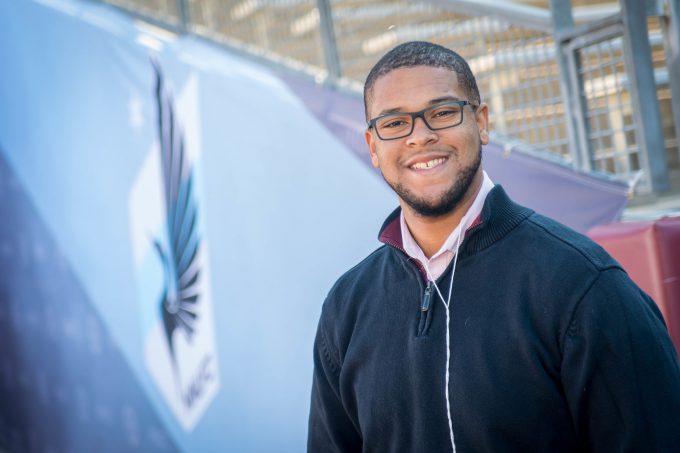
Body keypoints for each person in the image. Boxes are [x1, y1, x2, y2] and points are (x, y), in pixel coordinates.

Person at [307, 41, 680, 452]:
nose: (421, 136)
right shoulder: (346, 307)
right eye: (395, 123)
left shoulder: (584, 284)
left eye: (443, 112)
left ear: (481, 122)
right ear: (373, 146)